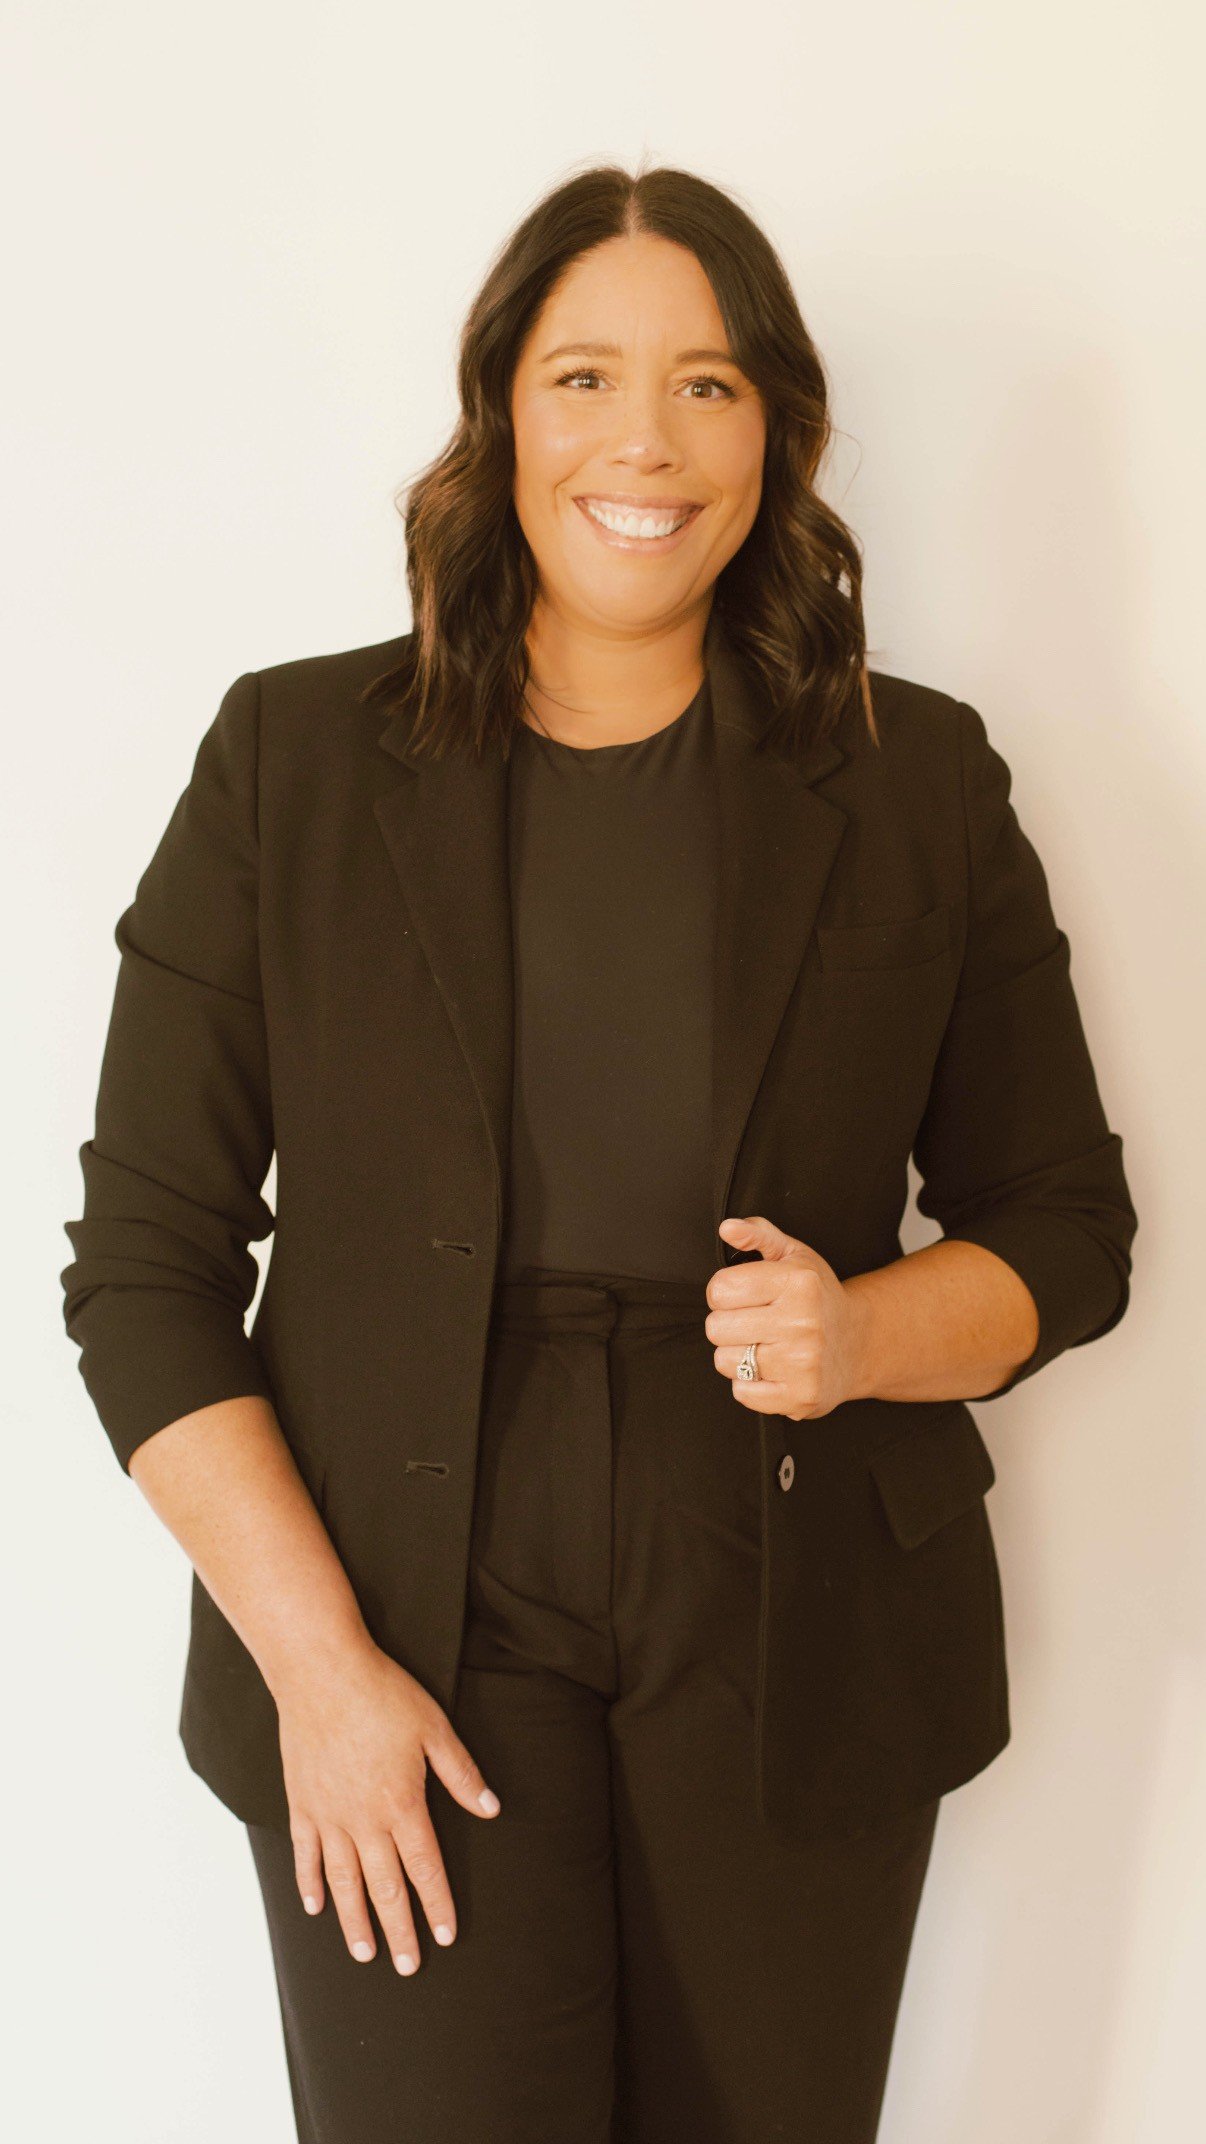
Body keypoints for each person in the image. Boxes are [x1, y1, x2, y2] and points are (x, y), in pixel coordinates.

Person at [60, 163, 1138, 2143]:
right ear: (502, 415)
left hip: (794, 1604)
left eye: (709, 385)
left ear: (778, 432)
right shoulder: (289, 767)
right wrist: (323, 1673)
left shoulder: (920, 786)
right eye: (585, 377)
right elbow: (140, 1272)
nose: (645, 439)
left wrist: (868, 1330)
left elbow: (1069, 1225)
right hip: (399, 1604)